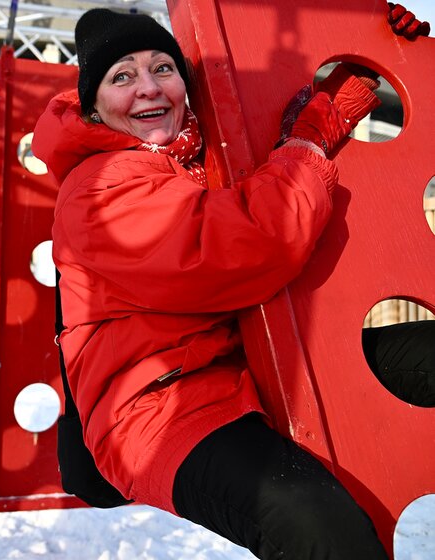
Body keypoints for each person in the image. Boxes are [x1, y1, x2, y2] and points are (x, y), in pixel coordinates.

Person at [32, 7, 434, 559]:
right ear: (94, 106)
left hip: (268, 355)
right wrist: (311, 140)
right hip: (162, 406)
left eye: (162, 69)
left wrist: (371, 46)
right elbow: (247, 245)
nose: (147, 88)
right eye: (121, 76)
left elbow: (290, 122)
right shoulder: (97, 186)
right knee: (312, 524)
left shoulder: (208, 153)